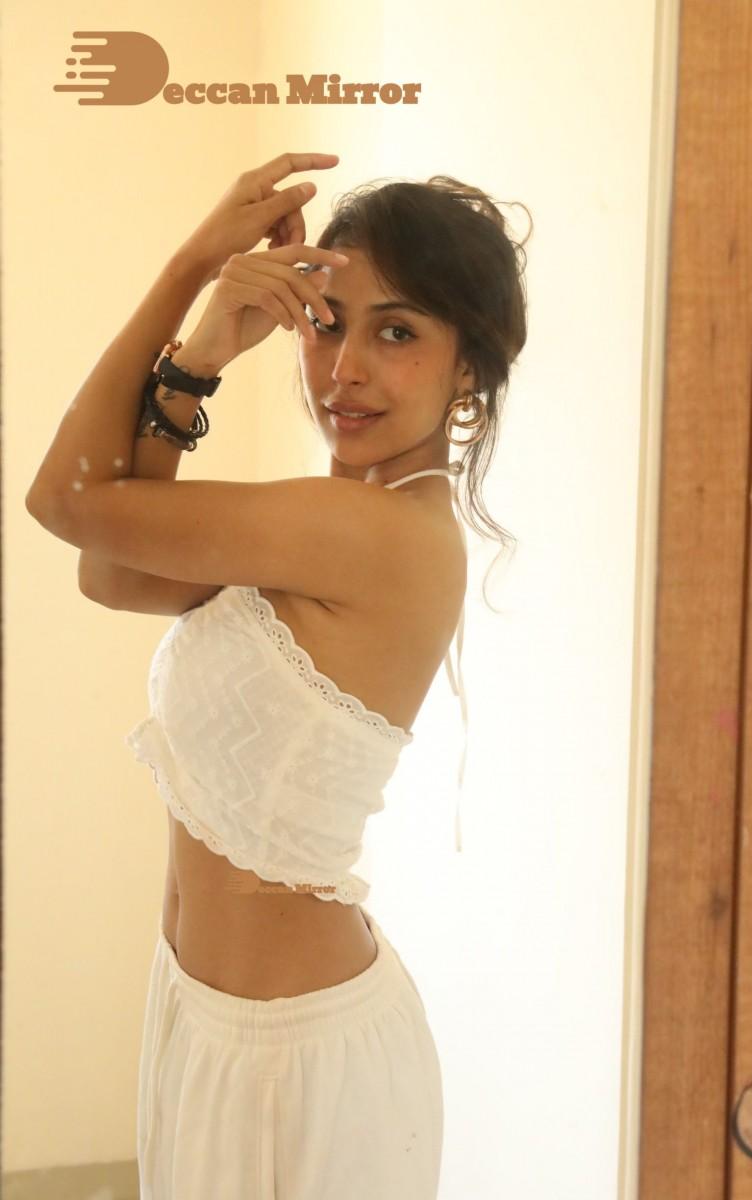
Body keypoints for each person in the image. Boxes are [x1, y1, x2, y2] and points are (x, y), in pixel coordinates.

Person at [25, 151, 530, 1198]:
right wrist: (196, 356)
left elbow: (64, 498)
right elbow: (111, 571)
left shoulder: (367, 532)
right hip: (210, 1019)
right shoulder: (330, 520)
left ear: (467, 371)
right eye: (327, 322)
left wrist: (189, 270)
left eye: (397, 333)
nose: (344, 369)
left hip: (295, 1064)